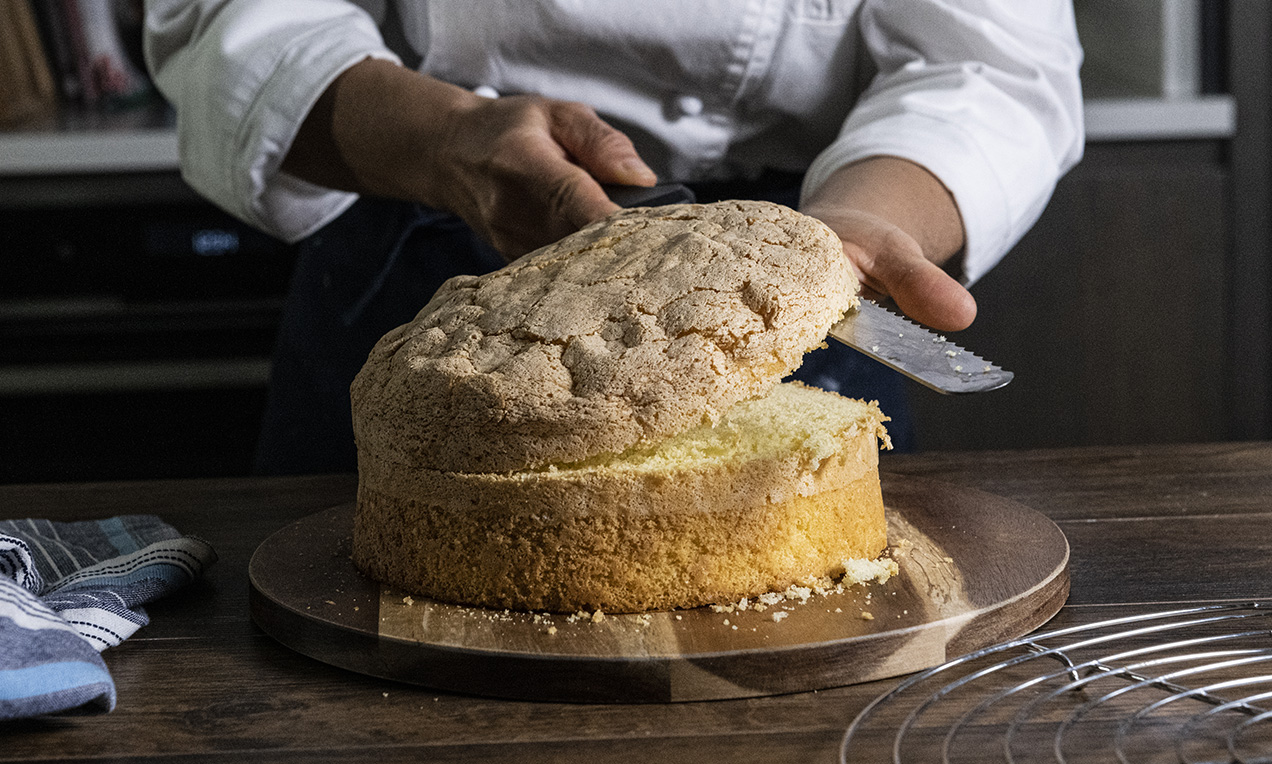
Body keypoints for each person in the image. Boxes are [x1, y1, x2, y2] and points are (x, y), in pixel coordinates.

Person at [143, 1, 1084, 474]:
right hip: (426, 243)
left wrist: (869, 222)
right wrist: (444, 142)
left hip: (800, 278)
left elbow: (990, 64)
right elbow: (226, 19)